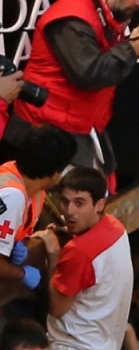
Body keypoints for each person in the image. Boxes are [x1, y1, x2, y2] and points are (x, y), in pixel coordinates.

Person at [6, 0, 139, 174]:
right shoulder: (72, 18)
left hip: (80, 127)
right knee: (65, 205)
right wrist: (132, 49)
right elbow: (89, 74)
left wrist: (130, 47)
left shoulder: (103, 8)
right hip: (47, 134)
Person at [30, 166, 133, 350]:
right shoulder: (115, 228)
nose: (69, 212)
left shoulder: (79, 251)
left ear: (99, 204)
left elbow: (57, 307)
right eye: (65, 202)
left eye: (79, 203)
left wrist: (52, 255)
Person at [0, 125, 76, 295]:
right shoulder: (12, 195)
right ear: (55, 173)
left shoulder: (33, 189)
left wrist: (13, 244)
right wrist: (22, 274)